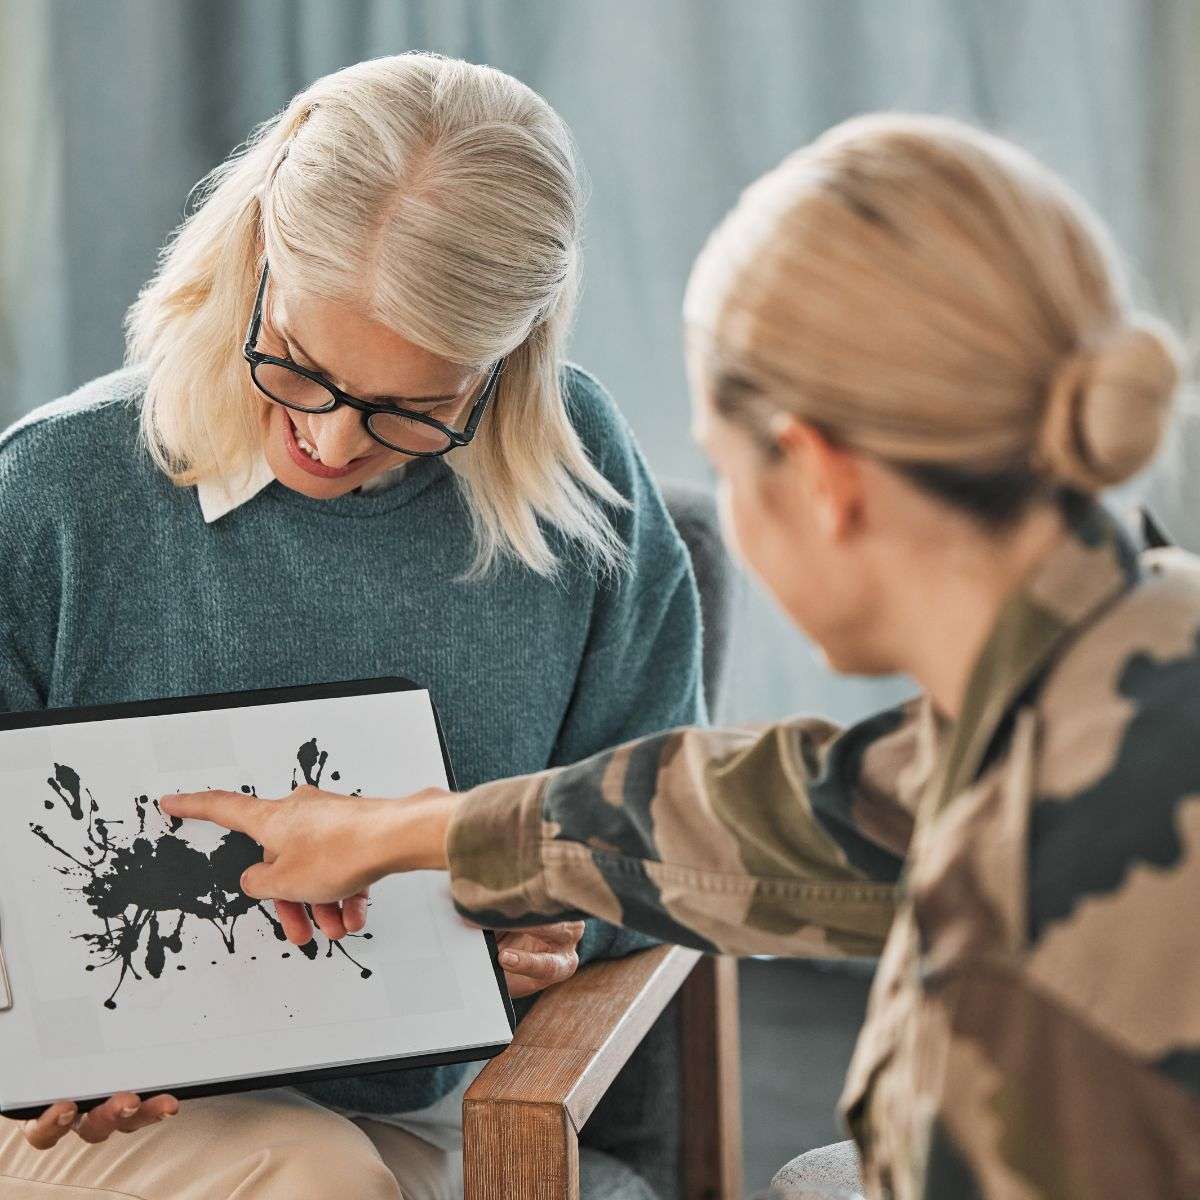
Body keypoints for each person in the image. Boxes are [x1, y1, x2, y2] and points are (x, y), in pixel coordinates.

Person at [166, 114, 1200, 1198]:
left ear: (818, 477)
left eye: (721, 463)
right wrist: (398, 835)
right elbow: (819, 811)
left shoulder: (1037, 983)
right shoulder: (1123, 654)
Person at [0, 53, 704, 1200]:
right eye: (299, 367)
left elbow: (665, 825)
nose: (329, 444)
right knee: (315, 1174)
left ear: (505, 361)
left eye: (410, 410)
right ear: (256, 262)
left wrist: (565, 922)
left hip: (442, 1106)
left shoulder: (582, 479)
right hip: (88, 1127)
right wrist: (37, 1043)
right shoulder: (53, 495)